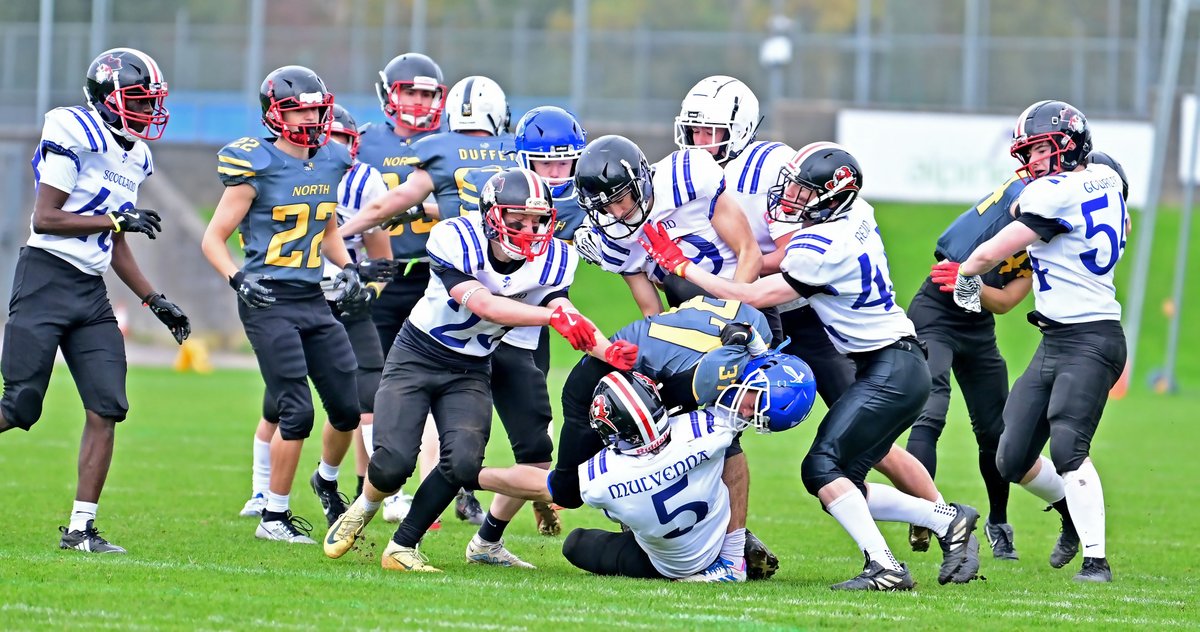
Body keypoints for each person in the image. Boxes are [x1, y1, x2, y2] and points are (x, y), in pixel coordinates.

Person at [639, 142, 981, 590]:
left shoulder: (823, 247)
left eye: (804, 192)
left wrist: (684, 267)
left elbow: (755, 295)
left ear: (833, 195)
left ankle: (887, 565)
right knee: (844, 480)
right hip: (894, 361)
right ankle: (946, 518)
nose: (792, 199)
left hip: (892, 366)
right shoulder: (858, 215)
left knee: (821, 467)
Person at [323, 168, 621, 572]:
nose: (529, 230)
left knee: (463, 463)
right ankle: (366, 504)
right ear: (491, 216)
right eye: (517, 220)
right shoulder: (456, 237)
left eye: (537, 221)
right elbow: (484, 305)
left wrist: (610, 351)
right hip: (418, 356)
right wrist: (553, 320)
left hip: (470, 367)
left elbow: (563, 308)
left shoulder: (556, 258)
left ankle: (402, 545)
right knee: (392, 463)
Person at [0, 47, 189, 554]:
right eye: (139, 100)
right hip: (44, 279)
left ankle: (81, 530)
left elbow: (116, 242)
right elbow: (47, 217)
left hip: (90, 291)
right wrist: (115, 221)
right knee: (20, 406)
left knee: (108, 405)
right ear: (107, 99)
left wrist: (155, 300)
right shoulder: (71, 127)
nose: (149, 112)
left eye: (152, 102)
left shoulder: (137, 155)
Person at [951, 101, 1128, 583]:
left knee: (1070, 445)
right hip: (1055, 340)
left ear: (1069, 146)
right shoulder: (1106, 180)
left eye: (1042, 149)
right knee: (1011, 457)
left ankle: (1096, 561)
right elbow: (1109, 197)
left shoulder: (1054, 193)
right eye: (1028, 152)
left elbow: (985, 252)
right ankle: (1073, 515)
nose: (1033, 162)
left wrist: (967, 282)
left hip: (1091, 338)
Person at [343, 74, 519, 527]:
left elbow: (390, 203)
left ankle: (383, 490)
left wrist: (335, 235)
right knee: (482, 388)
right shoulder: (513, 152)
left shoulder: (438, 148)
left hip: (444, 276)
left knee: (404, 379)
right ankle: (507, 483)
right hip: (511, 281)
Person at [202, 65, 363, 543]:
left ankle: (325, 483)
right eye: (301, 109)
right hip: (267, 297)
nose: (312, 116)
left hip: (312, 297)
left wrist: (346, 267)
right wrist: (237, 278)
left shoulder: (332, 159)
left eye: (317, 107)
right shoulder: (256, 164)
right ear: (275, 114)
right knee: (296, 411)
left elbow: (326, 225)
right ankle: (274, 517)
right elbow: (214, 238)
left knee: (348, 408)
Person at [476, 363, 816, 582]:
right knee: (726, 455)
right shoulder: (705, 428)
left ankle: (712, 552)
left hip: (669, 564)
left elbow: (549, 487)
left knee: (578, 542)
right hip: (711, 535)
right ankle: (735, 549)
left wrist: (475, 475)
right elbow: (732, 420)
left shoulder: (600, 477)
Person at [547, 295, 788, 580]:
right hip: (614, 383)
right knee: (571, 490)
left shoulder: (754, 340)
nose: (749, 414)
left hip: (655, 372)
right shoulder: (706, 379)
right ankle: (730, 548)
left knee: (711, 447)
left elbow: (678, 290)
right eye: (755, 407)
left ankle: (730, 550)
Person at [237, 104, 398, 518]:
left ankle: (332, 480)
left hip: (341, 302)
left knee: (357, 400)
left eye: (344, 140)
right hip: (291, 295)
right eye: (334, 138)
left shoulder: (362, 180)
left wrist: (363, 286)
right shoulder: (277, 170)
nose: (335, 146)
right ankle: (263, 493)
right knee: (284, 405)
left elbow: (382, 261)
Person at [353, 51, 448, 525]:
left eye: (427, 93)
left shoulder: (448, 144)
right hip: (381, 272)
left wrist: (422, 212)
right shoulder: (365, 143)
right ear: (388, 94)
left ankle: (445, 484)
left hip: (436, 273)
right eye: (409, 90)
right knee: (370, 385)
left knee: (443, 382)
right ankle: (366, 482)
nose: (417, 101)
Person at [572, 134, 762, 315]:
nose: (617, 213)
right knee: (676, 286)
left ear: (640, 180)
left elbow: (750, 253)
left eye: (620, 199)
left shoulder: (687, 180)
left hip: (748, 307)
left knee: (678, 284)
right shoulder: (613, 234)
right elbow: (652, 313)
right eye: (604, 206)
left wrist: (732, 313)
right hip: (696, 321)